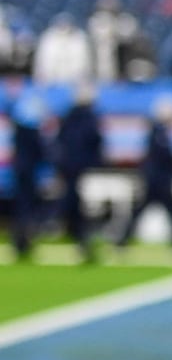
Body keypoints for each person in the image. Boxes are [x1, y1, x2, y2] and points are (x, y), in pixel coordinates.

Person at [116, 93, 172, 252]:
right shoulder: (158, 132)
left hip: (159, 179)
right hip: (157, 180)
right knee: (161, 211)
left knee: (165, 212)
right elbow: (164, 155)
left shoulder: (162, 131)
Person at [54, 83, 104, 263]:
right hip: (83, 168)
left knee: (72, 200)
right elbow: (95, 141)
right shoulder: (89, 118)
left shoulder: (68, 116)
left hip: (69, 167)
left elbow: (60, 140)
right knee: (81, 204)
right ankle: (81, 237)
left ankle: (70, 230)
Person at [6, 90, 48, 260]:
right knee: (28, 209)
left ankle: (19, 242)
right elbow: (41, 152)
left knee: (21, 209)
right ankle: (23, 241)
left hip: (20, 171)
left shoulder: (19, 130)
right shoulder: (32, 132)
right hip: (29, 173)